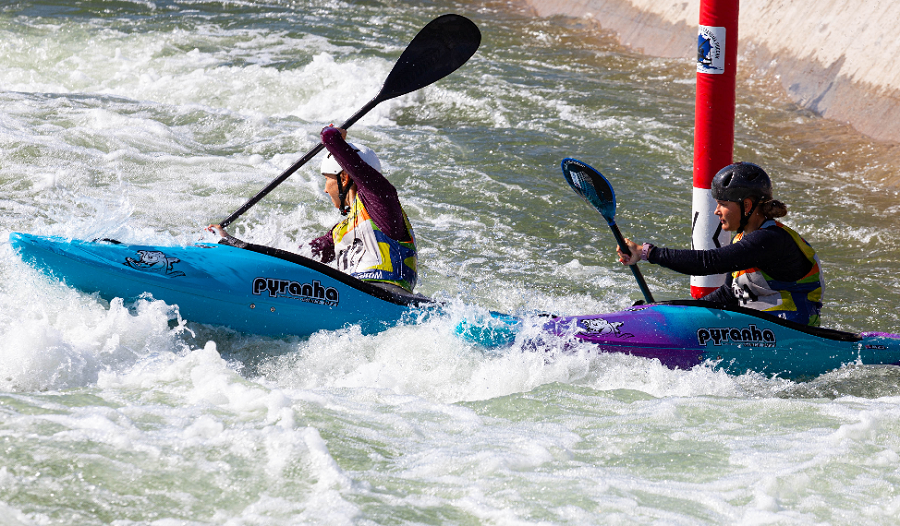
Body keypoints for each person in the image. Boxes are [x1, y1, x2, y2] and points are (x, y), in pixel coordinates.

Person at [210, 125, 418, 294]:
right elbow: (299, 256)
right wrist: (235, 245)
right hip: (353, 297)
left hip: (389, 296)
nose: (326, 190)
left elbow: (330, 138)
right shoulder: (340, 232)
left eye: (327, 179)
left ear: (344, 178)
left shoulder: (383, 204)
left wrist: (333, 138)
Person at [616, 162, 824, 326]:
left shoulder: (771, 240)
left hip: (795, 335)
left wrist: (647, 252)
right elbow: (728, 294)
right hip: (761, 330)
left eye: (722, 204)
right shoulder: (743, 239)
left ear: (747, 205)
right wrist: (682, 316)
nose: (716, 211)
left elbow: (707, 262)